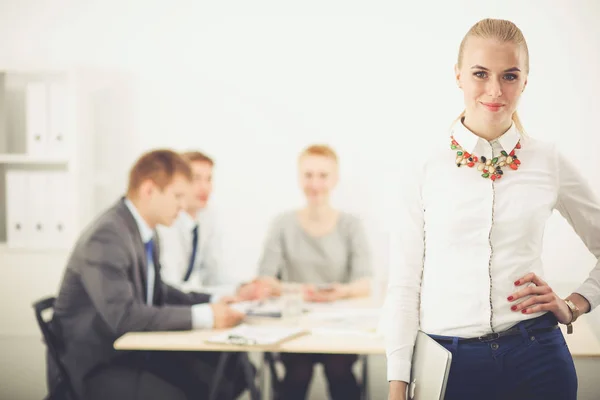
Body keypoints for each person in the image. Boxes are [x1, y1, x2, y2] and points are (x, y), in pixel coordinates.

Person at [385, 18, 599, 400]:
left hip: (538, 360)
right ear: (458, 76)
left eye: (510, 76)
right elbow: (404, 285)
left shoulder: (547, 160)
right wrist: (397, 387)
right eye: (480, 74)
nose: (495, 90)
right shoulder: (423, 165)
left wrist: (574, 304)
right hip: (447, 362)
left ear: (526, 81)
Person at [49, 149, 249, 400]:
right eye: (177, 196)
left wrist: (210, 303)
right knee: (182, 391)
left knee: (232, 371)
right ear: (148, 190)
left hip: (129, 352)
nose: (183, 205)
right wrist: (206, 317)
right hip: (98, 364)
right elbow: (124, 317)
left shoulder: (144, 231)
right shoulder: (107, 236)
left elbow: (159, 292)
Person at [258, 144, 372, 400]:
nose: (315, 183)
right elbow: (265, 280)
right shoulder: (282, 224)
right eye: (308, 175)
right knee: (297, 372)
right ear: (300, 178)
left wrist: (340, 292)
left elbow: (365, 283)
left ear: (335, 179)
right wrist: (302, 291)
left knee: (339, 369)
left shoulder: (350, 225)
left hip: (340, 327)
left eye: (322, 175)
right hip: (294, 323)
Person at [157, 150, 265, 301]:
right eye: (196, 179)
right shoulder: (166, 223)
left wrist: (241, 288)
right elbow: (173, 287)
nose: (205, 187)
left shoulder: (207, 216)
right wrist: (220, 296)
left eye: (209, 179)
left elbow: (214, 274)